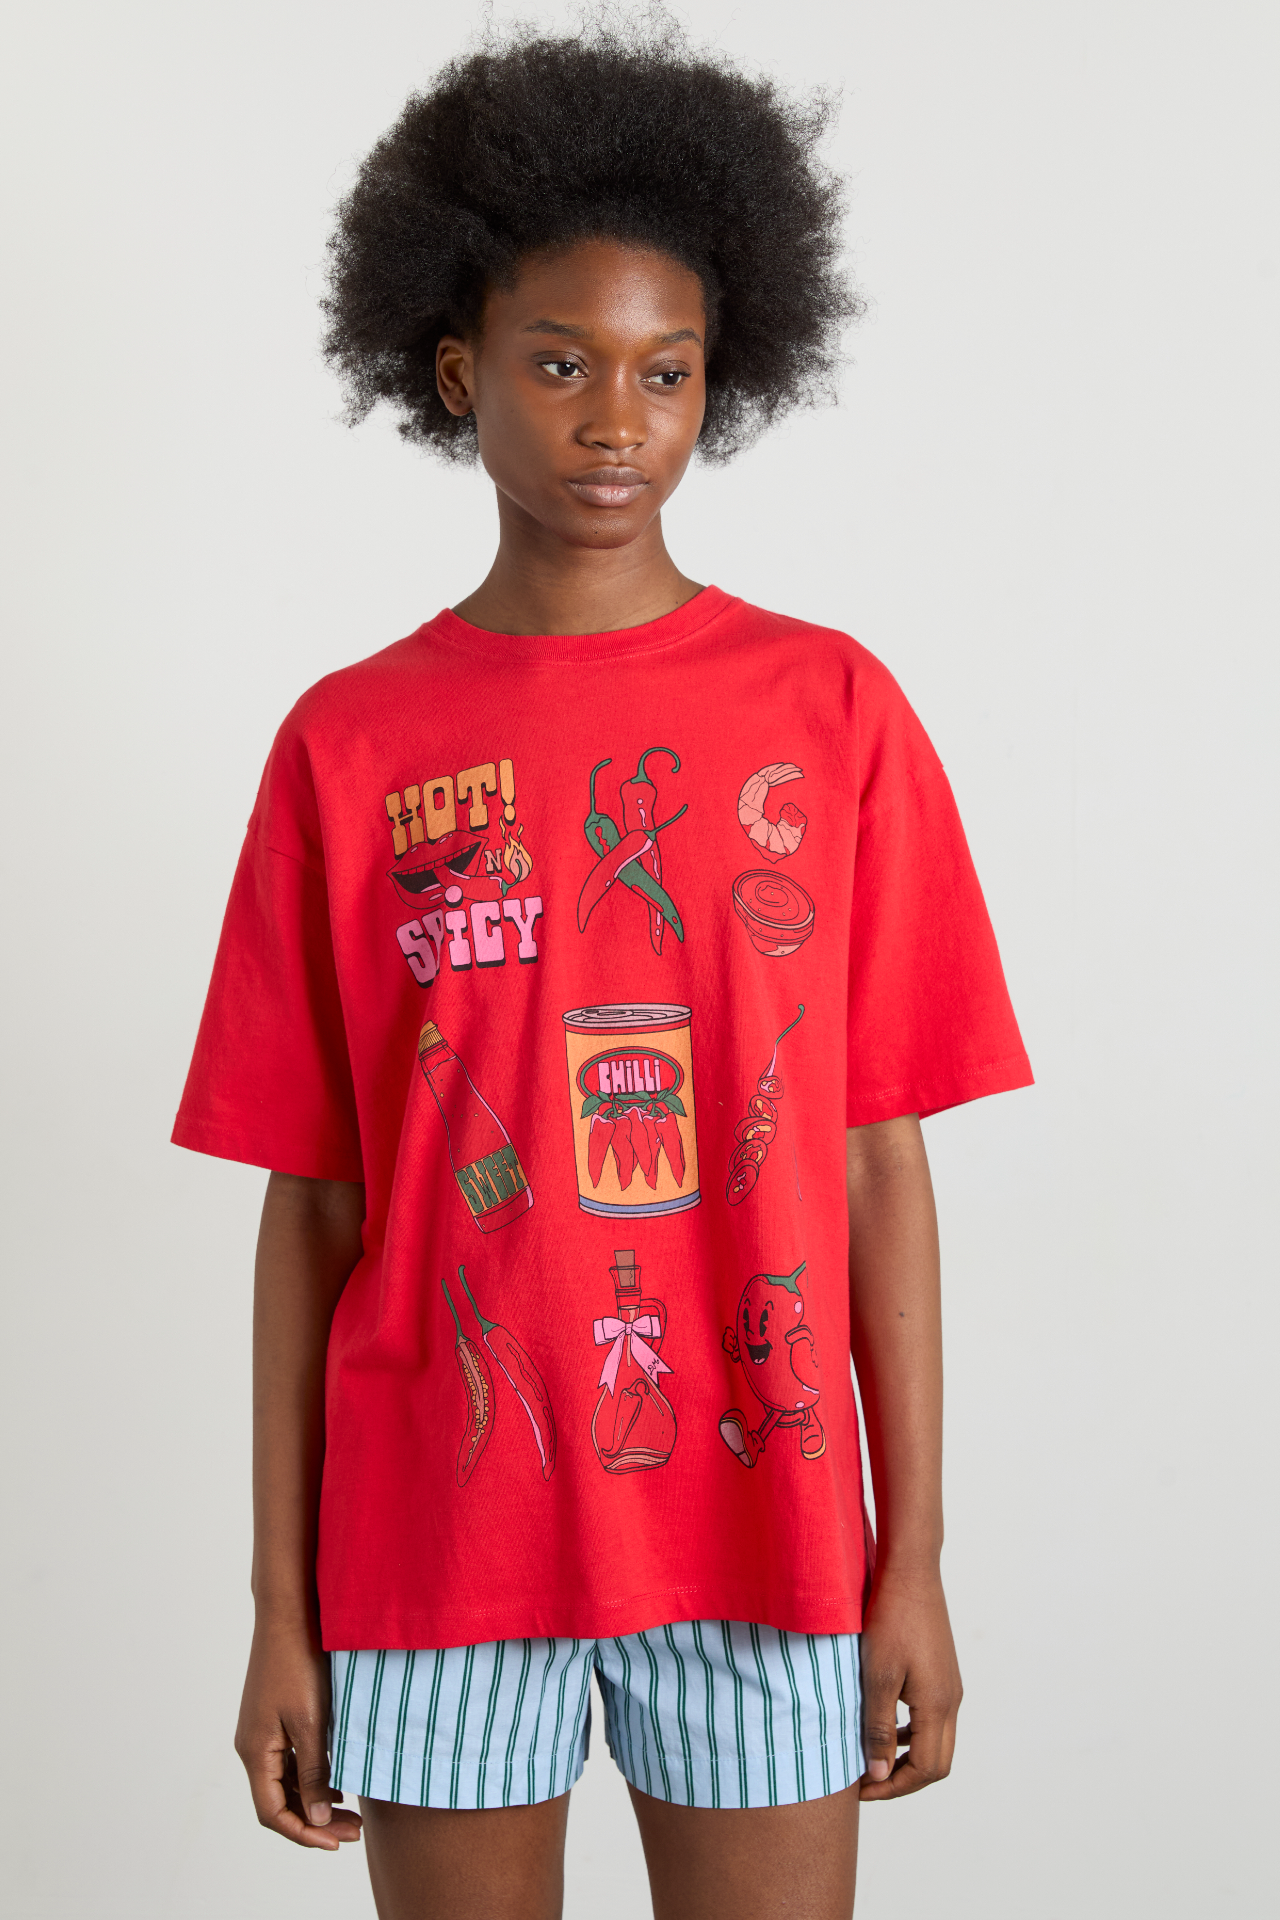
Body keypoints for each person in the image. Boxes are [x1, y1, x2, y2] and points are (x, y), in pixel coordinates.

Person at [173, 19, 1032, 1918]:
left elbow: (877, 1162)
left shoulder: (830, 712)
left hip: (765, 1540)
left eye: (667, 370)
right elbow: (313, 1207)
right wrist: (280, 1611)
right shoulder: (348, 745)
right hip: (437, 1548)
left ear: (724, 376)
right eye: (559, 363)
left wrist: (910, 1558)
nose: (615, 419)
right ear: (457, 371)